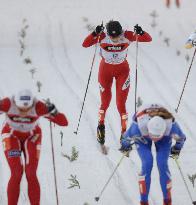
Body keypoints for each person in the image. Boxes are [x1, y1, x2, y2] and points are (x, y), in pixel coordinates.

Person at [82, 20, 152, 149]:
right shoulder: (102, 37)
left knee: (120, 104)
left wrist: (141, 32)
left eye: (118, 36)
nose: (115, 39)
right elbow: (85, 44)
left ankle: (124, 133)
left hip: (122, 71)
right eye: (112, 36)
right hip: (105, 71)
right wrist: (94, 33)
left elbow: (148, 39)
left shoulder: (127, 35)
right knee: (105, 102)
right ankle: (101, 126)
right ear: (108, 33)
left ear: (121, 32)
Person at [0, 89, 68, 205]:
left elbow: (63, 122)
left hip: (32, 137)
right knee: (16, 172)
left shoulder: (38, 106)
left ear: (32, 104)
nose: (24, 112)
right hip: (11, 136)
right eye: (21, 109)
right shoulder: (8, 103)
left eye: (27, 109)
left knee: (31, 172)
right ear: (15, 103)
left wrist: (54, 111)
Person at [120, 103, 186, 205]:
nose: (154, 139)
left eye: (157, 137)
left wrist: (177, 148)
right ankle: (144, 202)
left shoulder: (171, 126)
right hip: (144, 136)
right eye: (153, 136)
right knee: (147, 163)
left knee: (162, 164)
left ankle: (167, 201)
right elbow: (125, 138)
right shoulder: (138, 126)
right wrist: (125, 146)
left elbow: (181, 138)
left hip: (164, 137)